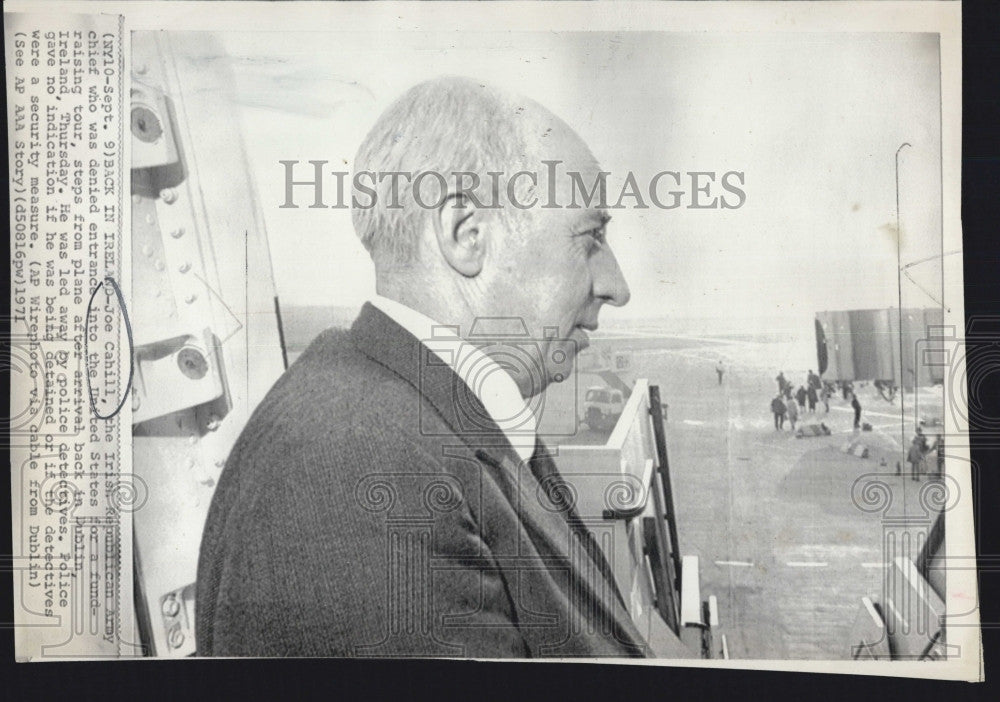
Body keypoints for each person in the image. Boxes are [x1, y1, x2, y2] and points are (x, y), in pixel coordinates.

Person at [196, 78, 671, 658]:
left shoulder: (418, 417)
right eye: (590, 237)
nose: (616, 287)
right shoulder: (361, 474)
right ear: (465, 234)